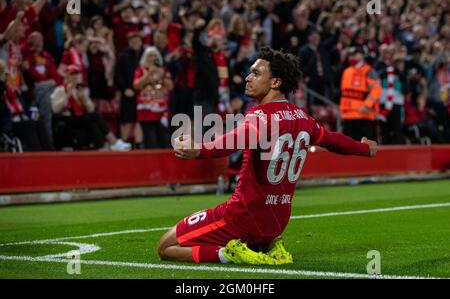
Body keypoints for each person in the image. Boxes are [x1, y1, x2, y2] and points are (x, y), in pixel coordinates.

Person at [157, 47, 377, 265]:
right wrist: (364, 148)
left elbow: (238, 137)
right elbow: (334, 141)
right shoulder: (304, 118)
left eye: (256, 73)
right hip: (277, 223)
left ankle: (229, 254)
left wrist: (200, 150)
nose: (247, 77)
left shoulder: (261, 115)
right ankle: (265, 246)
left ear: (276, 83)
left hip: (243, 217)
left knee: (165, 246)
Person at [50, 65, 131, 151]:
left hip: (79, 118)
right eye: (72, 74)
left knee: (94, 123)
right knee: (94, 116)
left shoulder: (79, 89)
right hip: (66, 117)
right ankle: (114, 141)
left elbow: (91, 109)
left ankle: (102, 148)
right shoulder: (60, 90)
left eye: (76, 75)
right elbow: (55, 109)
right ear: (67, 76)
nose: (74, 77)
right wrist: (66, 97)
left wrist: (84, 100)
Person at [339, 46, 382, 141]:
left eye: (354, 55)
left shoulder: (369, 71)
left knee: (364, 148)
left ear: (362, 55)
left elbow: (376, 90)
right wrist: (342, 111)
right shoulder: (347, 71)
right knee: (347, 148)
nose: (351, 57)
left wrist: (367, 105)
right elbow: (344, 94)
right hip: (348, 116)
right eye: (349, 55)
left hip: (364, 116)